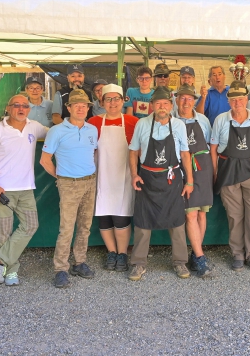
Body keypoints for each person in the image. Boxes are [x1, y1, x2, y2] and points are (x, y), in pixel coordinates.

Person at [127, 87, 194, 281]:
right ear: (152, 106)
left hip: (171, 178)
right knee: (142, 222)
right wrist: (134, 175)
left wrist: (189, 181)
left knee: (177, 222)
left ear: (171, 105)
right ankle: (138, 264)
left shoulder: (179, 125)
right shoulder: (142, 124)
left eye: (165, 103)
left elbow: (184, 154)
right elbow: (133, 151)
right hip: (146, 179)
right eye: (158, 103)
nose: (162, 107)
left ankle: (180, 262)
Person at [0, 94, 48, 286]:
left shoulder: (34, 126)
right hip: (3, 190)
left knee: (31, 225)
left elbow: (55, 134)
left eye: (25, 106)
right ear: (8, 107)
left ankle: (1, 261)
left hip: (26, 188)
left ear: (29, 109)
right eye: (16, 105)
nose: (21, 109)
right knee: (3, 232)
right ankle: (10, 272)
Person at [40, 89, 98, 288]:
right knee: (67, 228)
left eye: (85, 105)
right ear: (69, 108)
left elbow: (93, 153)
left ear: (88, 108)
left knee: (85, 226)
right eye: (77, 105)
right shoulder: (57, 130)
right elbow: (45, 160)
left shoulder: (92, 130)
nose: (81, 108)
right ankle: (60, 269)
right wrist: (62, 177)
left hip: (90, 181)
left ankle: (79, 262)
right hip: (69, 184)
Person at [210, 80, 250, 271]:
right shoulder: (220, 120)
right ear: (228, 101)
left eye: (241, 99)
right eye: (233, 99)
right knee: (235, 216)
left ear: (246, 99)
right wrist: (214, 174)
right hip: (227, 172)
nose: (237, 103)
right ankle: (237, 254)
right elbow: (213, 149)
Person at [87, 84, 139, 272]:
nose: (112, 103)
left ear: (123, 100)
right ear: (101, 102)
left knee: (121, 217)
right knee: (104, 217)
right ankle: (112, 252)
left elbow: (139, 150)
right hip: (100, 176)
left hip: (124, 176)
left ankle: (123, 253)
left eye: (116, 98)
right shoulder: (93, 122)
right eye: (108, 99)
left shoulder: (133, 122)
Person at [175, 84, 215, 278]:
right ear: (176, 100)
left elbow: (208, 142)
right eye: (182, 98)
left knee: (201, 213)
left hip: (203, 166)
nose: (186, 102)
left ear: (194, 101)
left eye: (190, 98)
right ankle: (200, 257)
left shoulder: (203, 120)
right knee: (190, 214)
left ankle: (195, 252)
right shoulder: (172, 121)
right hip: (183, 167)